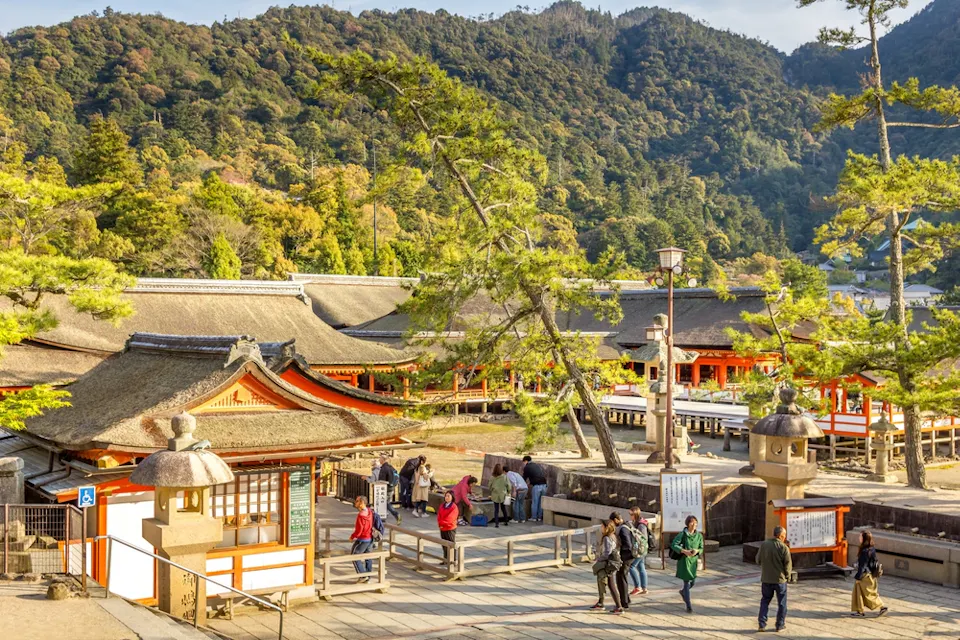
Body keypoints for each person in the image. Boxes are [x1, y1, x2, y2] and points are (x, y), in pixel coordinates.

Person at [757, 525, 792, 632]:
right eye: (784, 535)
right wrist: (788, 577)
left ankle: (762, 624)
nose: (785, 537)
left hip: (766, 579)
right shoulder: (783, 548)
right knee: (782, 603)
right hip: (780, 580)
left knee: (765, 601)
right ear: (781, 536)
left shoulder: (764, 545)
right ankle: (779, 625)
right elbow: (788, 565)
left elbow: (758, 560)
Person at [851, 530, 887, 618]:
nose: (859, 538)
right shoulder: (872, 548)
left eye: (860, 536)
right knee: (860, 593)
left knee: (868, 594)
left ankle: (882, 607)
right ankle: (859, 610)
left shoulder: (864, 551)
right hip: (870, 574)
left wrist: (858, 577)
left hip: (865, 576)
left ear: (864, 539)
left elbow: (862, 566)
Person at [671, 515, 703, 613]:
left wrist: (697, 551)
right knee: (687, 582)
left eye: (695, 523)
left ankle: (683, 592)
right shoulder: (683, 534)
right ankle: (688, 605)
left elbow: (702, 548)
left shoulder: (699, 535)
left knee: (692, 581)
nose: (694, 525)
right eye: (692, 522)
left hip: (693, 561)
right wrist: (684, 551)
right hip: (685, 561)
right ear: (687, 524)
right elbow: (674, 544)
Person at [590, 520, 623, 614]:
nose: (601, 528)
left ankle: (618, 606)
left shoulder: (607, 538)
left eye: (602, 526)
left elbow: (607, 553)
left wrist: (599, 559)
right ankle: (601, 602)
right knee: (606, 582)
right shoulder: (614, 536)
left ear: (606, 527)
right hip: (613, 562)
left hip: (608, 563)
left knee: (609, 583)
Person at [627, 506, 652, 596]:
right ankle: (644, 588)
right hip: (641, 549)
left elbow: (642, 539)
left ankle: (638, 587)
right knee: (641, 567)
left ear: (636, 514)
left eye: (631, 514)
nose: (630, 516)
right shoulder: (636, 523)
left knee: (631, 566)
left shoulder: (641, 525)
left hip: (640, 549)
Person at [611, 512, 634, 610]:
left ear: (616, 520)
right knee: (622, 577)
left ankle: (624, 602)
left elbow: (628, 545)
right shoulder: (627, 524)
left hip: (626, 557)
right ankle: (626, 599)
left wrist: (620, 552)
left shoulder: (623, 528)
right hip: (629, 556)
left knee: (621, 578)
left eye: (612, 522)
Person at [348, 496, 374, 582]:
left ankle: (362, 575)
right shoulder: (369, 512)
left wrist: (352, 536)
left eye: (357, 501)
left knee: (354, 555)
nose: (355, 503)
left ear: (362, 503)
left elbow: (359, 530)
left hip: (362, 539)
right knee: (368, 557)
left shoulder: (361, 515)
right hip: (370, 537)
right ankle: (368, 576)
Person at [522, 455, 548, 522]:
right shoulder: (536, 465)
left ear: (526, 461)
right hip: (544, 485)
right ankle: (539, 517)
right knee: (541, 502)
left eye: (523, 462)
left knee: (535, 502)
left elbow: (524, 478)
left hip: (537, 486)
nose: (523, 464)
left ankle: (534, 517)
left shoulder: (527, 467)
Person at [377, 454, 402, 525]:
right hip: (391, 487)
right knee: (386, 502)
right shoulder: (391, 467)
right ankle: (383, 517)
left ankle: (396, 514)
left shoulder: (384, 469)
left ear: (383, 460)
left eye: (380, 459)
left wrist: (376, 484)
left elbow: (381, 480)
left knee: (385, 503)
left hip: (386, 488)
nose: (379, 460)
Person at [437, 490, 459, 566]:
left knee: (451, 544)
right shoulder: (442, 505)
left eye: (448, 496)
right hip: (442, 527)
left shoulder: (454, 507)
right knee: (444, 544)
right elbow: (439, 515)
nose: (446, 497)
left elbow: (451, 518)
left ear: (452, 497)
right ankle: (445, 559)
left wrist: (442, 522)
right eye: (446, 496)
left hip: (450, 528)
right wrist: (440, 522)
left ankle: (453, 560)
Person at [489, 464, 512, 528]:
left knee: (496, 510)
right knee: (503, 508)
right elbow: (509, 486)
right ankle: (506, 521)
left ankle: (497, 523)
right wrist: (508, 492)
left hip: (495, 495)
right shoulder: (505, 477)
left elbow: (489, 486)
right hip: (503, 494)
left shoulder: (492, 477)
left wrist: (492, 490)